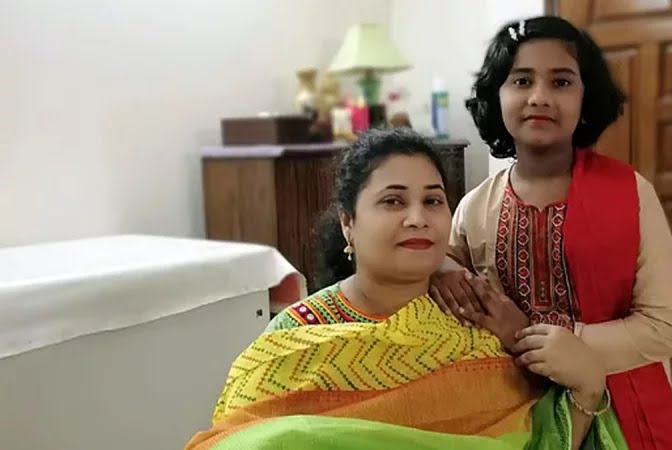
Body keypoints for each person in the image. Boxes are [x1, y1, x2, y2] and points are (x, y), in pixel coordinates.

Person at [185, 128, 627, 450]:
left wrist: (588, 388)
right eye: (393, 201)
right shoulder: (295, 336)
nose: (418, 218)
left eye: (433, 200)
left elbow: (541, 441)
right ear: (348, 223)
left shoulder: (480, 326)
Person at [429, 16, 672, 450]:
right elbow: (441, 279)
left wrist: (557, 339)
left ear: (586, 99)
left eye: (562, 82)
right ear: (497, 95)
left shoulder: (630, 194)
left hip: (621, 405)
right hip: (509, 410)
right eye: (521, 81)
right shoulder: (475, 207)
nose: (539, 97)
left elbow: (666, 329)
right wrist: (441, 267)